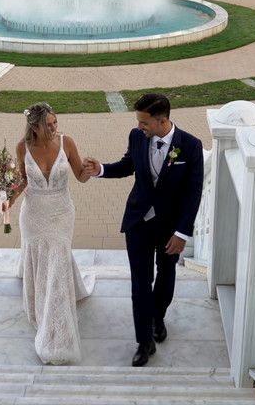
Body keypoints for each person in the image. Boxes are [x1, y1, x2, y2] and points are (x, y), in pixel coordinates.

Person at [83, 93, 203, 367]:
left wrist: (183, 233)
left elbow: (194, 193)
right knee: (140, 281)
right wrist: (101, 169)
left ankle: (157, 315)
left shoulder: (191, 146)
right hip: (138, 221)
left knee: (166, 272)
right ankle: (144, 341)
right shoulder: (136, 137)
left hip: (171, 227)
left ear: (162, 121)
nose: (139, 127)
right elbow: (128, 166)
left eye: (144, 122)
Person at [3, 103, 95, 365]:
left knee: (57, 259)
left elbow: (79, 176)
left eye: (56, 122)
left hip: (62, 213)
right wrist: (7, 201)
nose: (55, 128)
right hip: (33, 214)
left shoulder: (67, 142)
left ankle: (57, 328)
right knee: (44, 261)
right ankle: (40, 308)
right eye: (49, 125)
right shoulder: (23, 147)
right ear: (35, 127)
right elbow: (22, 181)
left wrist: (88, 171)